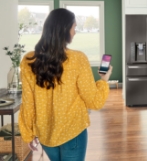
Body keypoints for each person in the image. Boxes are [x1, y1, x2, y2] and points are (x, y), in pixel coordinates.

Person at [18, 8, 113, 161]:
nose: (75, 32)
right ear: (65, 29)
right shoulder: (78, 59)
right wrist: (104, 80)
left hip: (46, 135)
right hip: (73, 133)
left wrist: (27, 133)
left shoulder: (28, 60)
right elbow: (94, 101)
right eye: (74, 27)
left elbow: (28, 102)